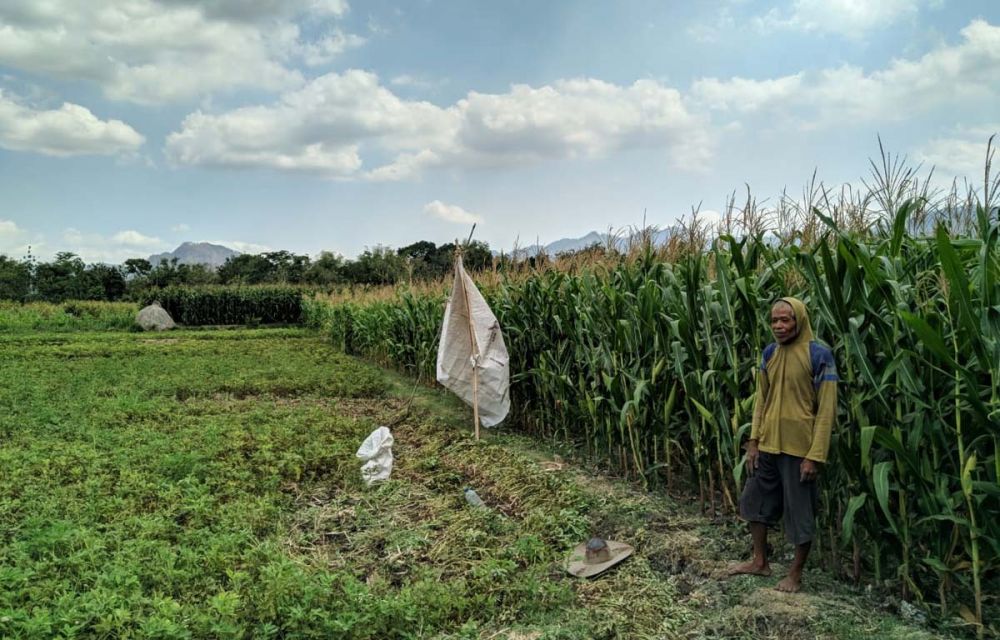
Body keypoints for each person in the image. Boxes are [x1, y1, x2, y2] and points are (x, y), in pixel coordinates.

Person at [728, 297, 838, 592]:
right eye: (774, 320)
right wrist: (753, 441)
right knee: (752, 502)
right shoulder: (769, 354)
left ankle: (795, 575)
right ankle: (760, 562)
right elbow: (761, 399)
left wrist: (814, 456)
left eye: (785, 320)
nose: (778, 326)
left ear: (799, 320)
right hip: (768, 446)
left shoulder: (819, 355)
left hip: (799, 449)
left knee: (800, 514)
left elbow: (826, 410)